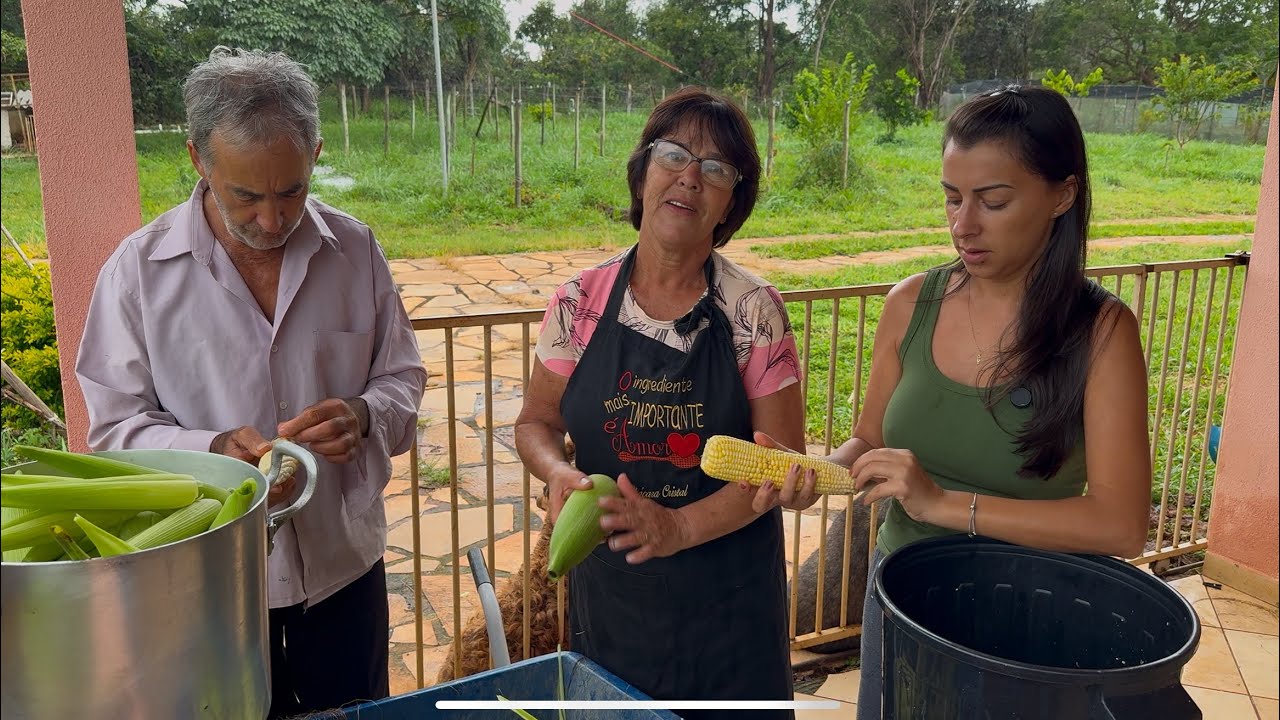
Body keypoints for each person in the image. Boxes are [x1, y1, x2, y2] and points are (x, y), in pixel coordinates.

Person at [748, 85, 1151, 719]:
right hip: (903, 600)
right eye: (952, 198)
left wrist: (943, 503)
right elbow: (870, 438)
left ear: (1062, 195)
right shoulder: (911, 303)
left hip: (1023, 617)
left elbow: (1122, 523)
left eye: (993, 201)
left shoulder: (1101, 332)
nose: (964, 225)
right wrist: (815, 474)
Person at [74, 47, 426, 717]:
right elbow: (114, 432)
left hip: (342, 569)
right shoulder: (139, 273)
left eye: (291, 191)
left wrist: (363, 412)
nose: (272, 220)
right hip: (208, 587)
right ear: (197, 159)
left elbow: (402, 377)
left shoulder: (355, 251)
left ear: (316, 154)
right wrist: (211, 454)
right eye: (246, 195)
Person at [514, 87, 803, 719]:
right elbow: (536, 422)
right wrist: (557, 471)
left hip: (729, 608)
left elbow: (780, 463)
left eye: (717, 170)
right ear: (643, 172)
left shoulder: (754, 312)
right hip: (614, 601)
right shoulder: (578, 302)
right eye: (674, 155)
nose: (691, 178)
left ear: (732, 203)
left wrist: (679, 528)